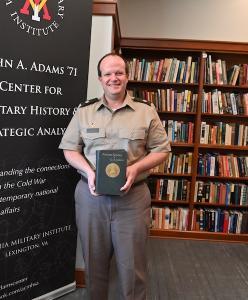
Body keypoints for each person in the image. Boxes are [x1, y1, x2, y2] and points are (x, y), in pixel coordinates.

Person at [59, 52, 170, 300]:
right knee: (94, 264)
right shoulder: (84, 112)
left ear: (127, 77)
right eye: (108, 73)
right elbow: (69, 149)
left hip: (132, 199)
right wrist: (89, 172)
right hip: (91, 198)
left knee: (133, 268)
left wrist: (136, 168)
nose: (114, 78)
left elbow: (162, 150)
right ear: (100, 79)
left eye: (119, 72)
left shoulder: (146, 111)